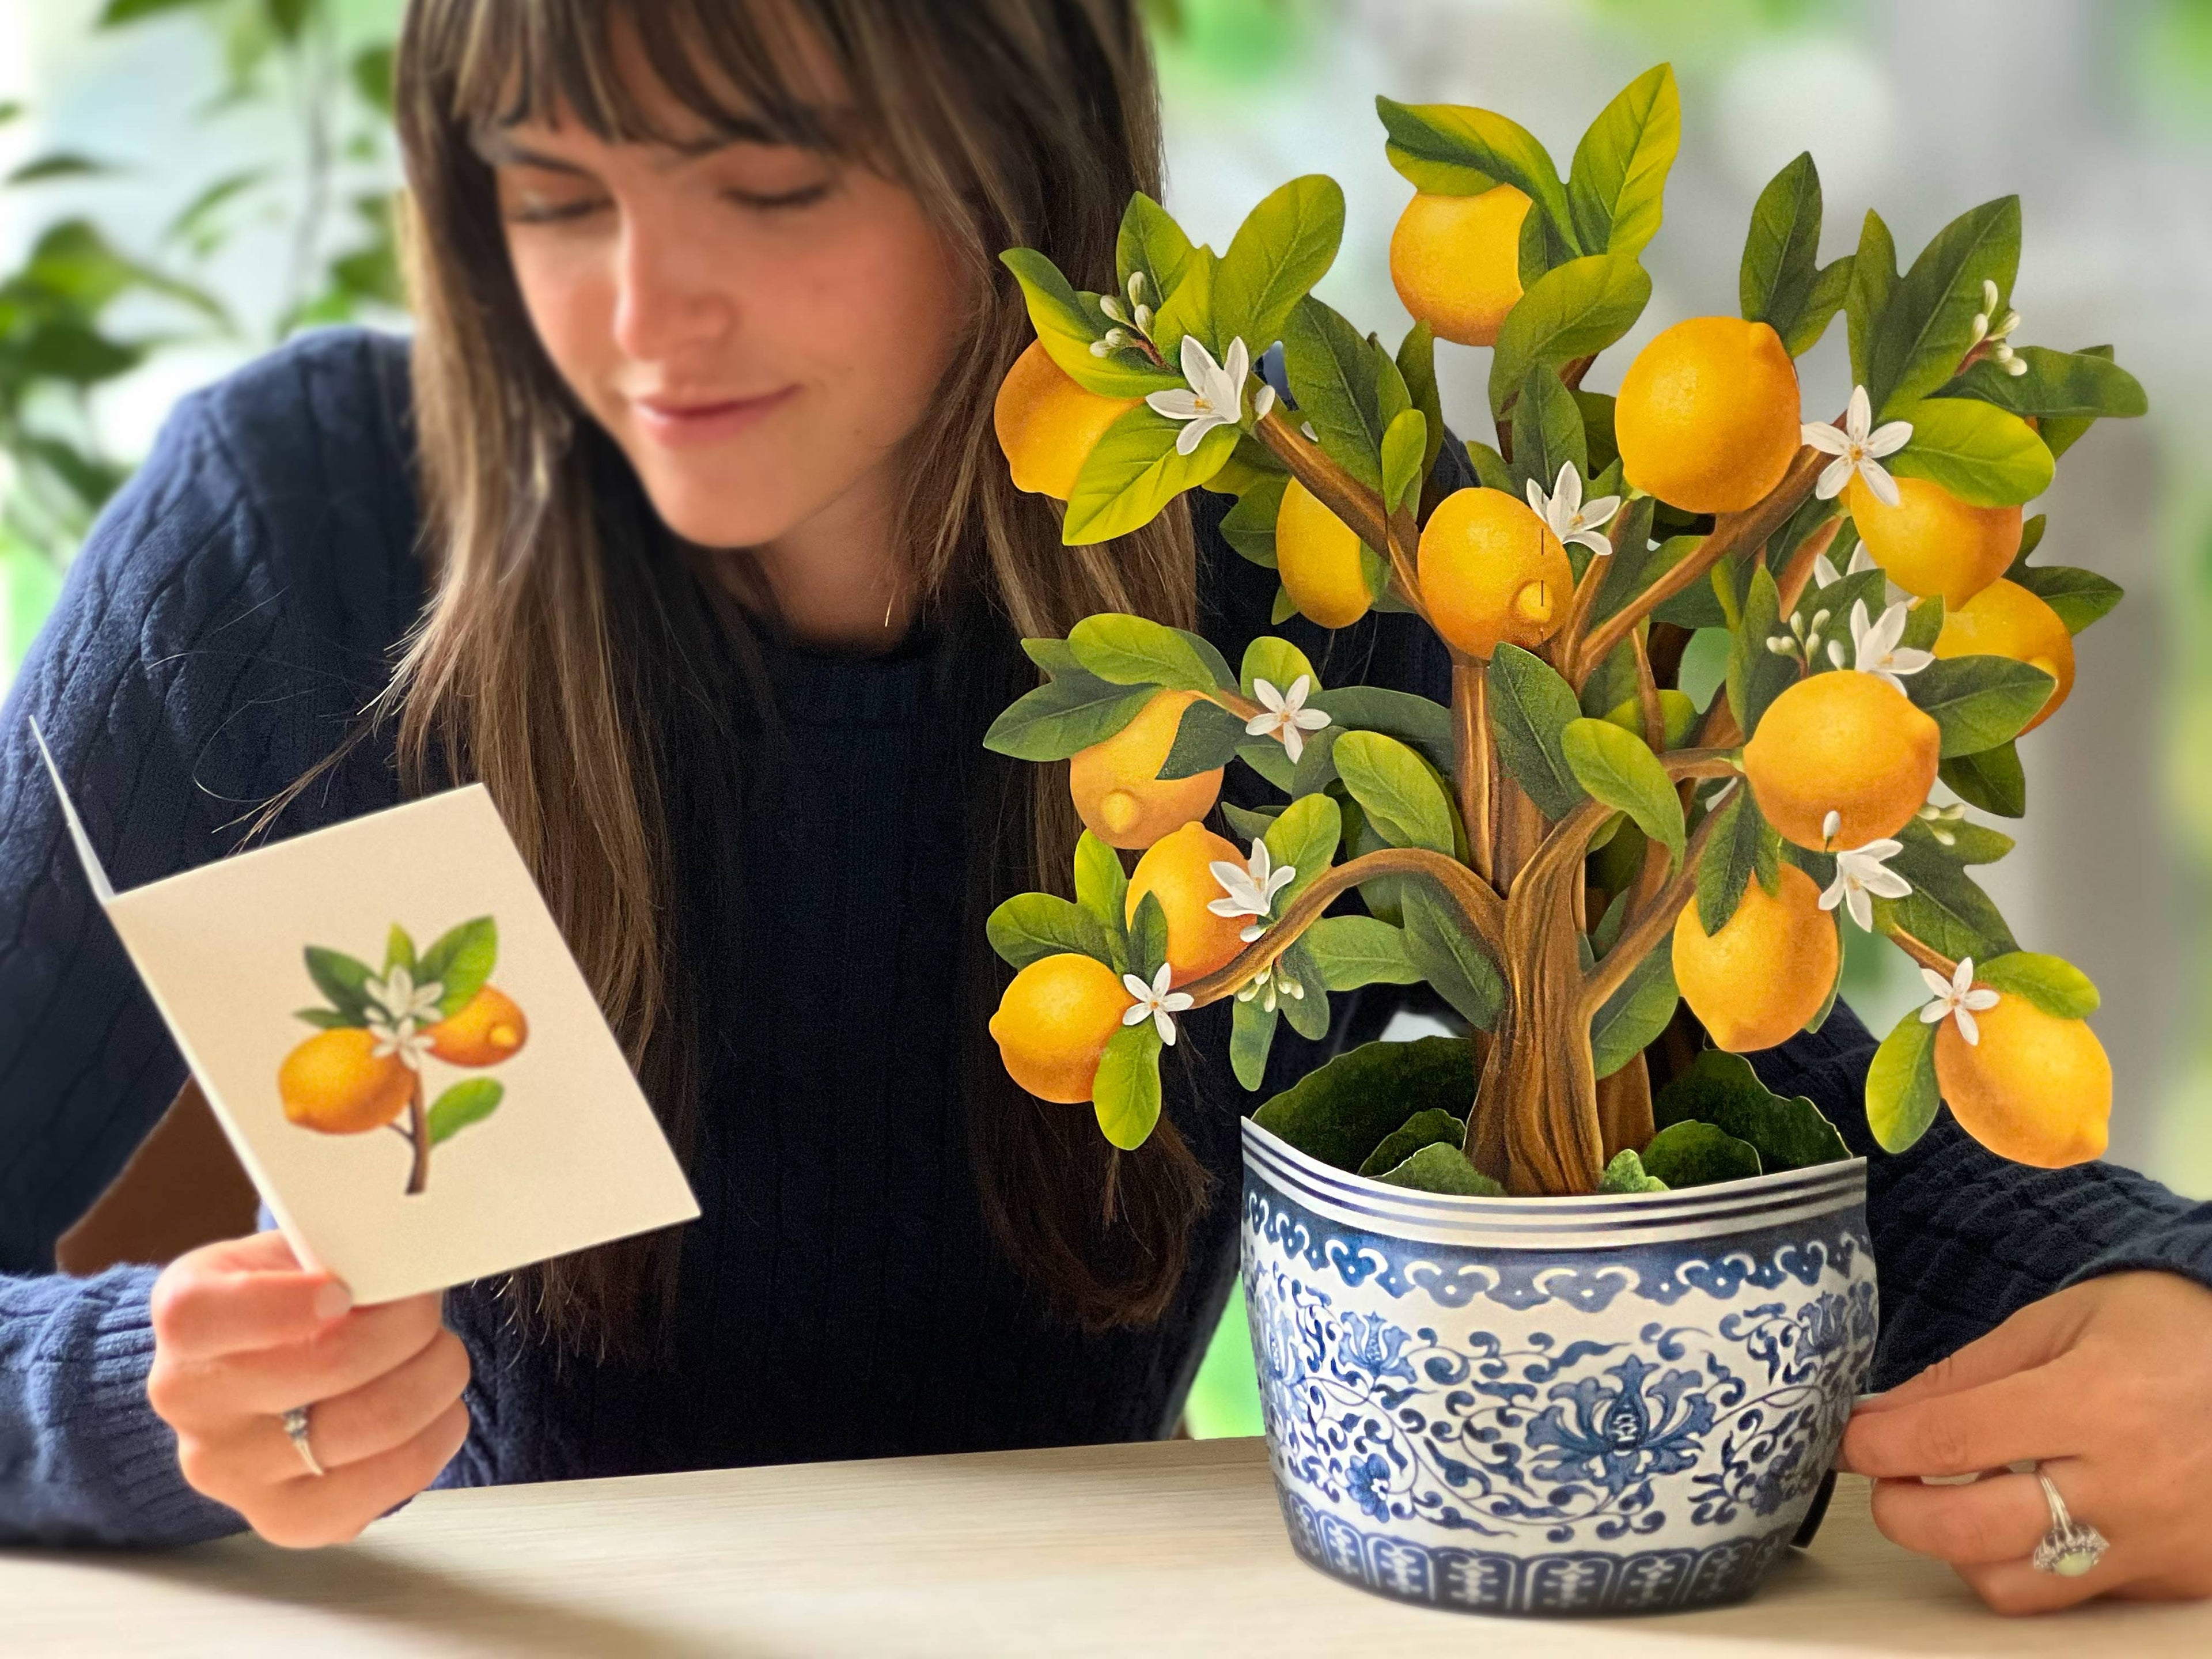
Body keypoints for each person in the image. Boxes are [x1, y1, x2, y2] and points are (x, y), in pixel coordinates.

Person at [0, 0, 2206, 1616]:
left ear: (1023, 162)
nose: (647, 313)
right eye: (554, 197)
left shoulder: (1321, 570)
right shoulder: (302, 536)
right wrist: (125, 1396)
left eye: (774, 187)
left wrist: (2181, 1311)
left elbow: (1832, 1160)